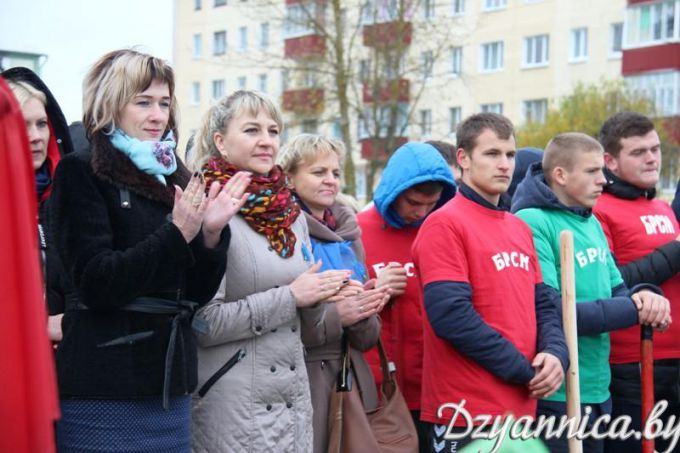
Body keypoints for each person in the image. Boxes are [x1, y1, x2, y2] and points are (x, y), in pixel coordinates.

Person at [49, 49, 242, 452]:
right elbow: (95, 282)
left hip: (169, 389)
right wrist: (176, 233)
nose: (158, 116)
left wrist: (209, 235)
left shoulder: (176, 174)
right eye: (143, 102)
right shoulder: (80, 171)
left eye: (164, 103)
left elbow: (193, 295)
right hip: (103, 386)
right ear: (111, 104)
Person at [188, 91, 350, 452]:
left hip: (291, 405)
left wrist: (322, 298)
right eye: (251, 130)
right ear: (221, 142)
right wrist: (291, 296)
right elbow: (202, 323)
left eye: (273, 130)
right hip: (231, 405)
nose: (266, 140)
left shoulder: (290, 214)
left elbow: (304, 325)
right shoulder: (204, 206)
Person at [412, 113, 569, 453]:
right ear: (463, 159)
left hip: (521, 410)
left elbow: (543, 303)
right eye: (492, 154)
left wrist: (556, 354)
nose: (504, 165)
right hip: (465, 413)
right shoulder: (444, 224)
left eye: (510, 155)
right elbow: (452, 317)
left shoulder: (518, 228)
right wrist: (523, 370)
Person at [512, 132, 671, 453]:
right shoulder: (532, 221)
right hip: (558, 391)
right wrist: (635, 308)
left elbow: (620, 292)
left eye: (602, 170)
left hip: (599, 385)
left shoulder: (591, 220)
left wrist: (645, 297)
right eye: (592, 172)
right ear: (560, 175)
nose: (604, 180)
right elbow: (555, 311)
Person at [277, 133, 391, 452]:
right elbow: (278, 323)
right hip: (304, 380)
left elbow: (367, 339)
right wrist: (336, 314)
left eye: (335, 173)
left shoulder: (349, 234)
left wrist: (366, 306)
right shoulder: (280, 231)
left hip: (351, 379)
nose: (330, 181)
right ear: (289, 178)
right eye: (318, 172)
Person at [358, 141, 456, 452]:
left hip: (438, 382)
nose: (421, 212)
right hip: (385, 390)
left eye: (431, 204)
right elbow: (338, 306)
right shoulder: (358, 231)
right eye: (414, 202)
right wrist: (375, 288)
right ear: (394, 191)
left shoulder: (443, 229)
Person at [593, 112, 680, 453]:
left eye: (656, 149)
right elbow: (612, 282)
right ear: (609, 160)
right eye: (639, 151)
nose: (651, 158)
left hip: (675, 362)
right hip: (630, 366)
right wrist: (674, 252)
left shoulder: (661, 206)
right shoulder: (598, 210)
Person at [3, 67, 75, 344]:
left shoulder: (69, 197)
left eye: (41, 124)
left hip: (62, 367)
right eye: (22, 124)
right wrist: (39, 327)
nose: (35, 136)